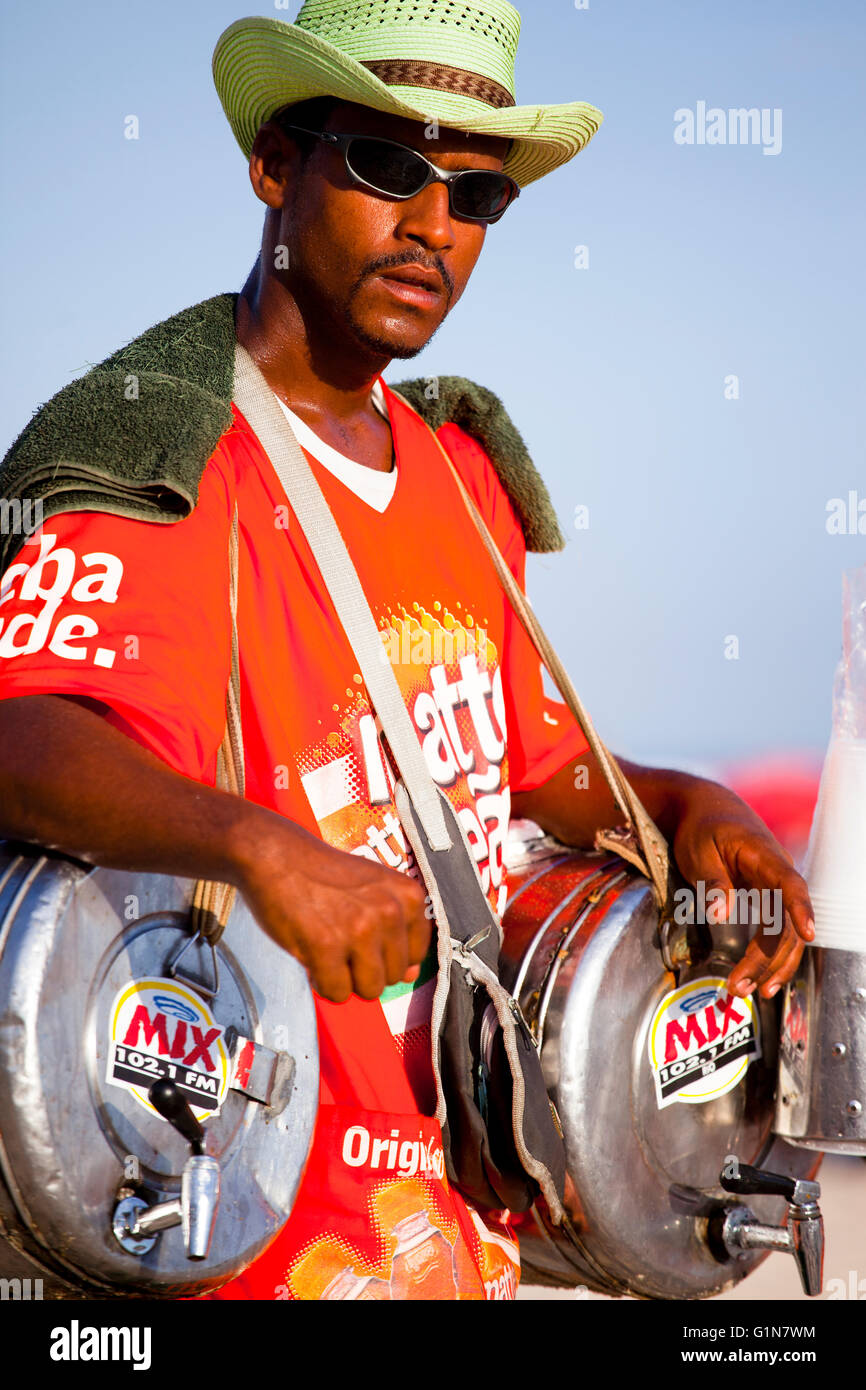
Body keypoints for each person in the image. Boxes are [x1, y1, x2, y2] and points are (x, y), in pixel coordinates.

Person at [0, 0, 814, 1301]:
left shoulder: (462, 477)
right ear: (276, 164)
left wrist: (685, 804)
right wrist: (260, 848)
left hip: (449, 1233)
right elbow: (24, 736)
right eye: (387, 167)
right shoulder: (166, 451)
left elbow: (531, 774)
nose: (433, 223)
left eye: (477, 193)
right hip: (235, 1222)